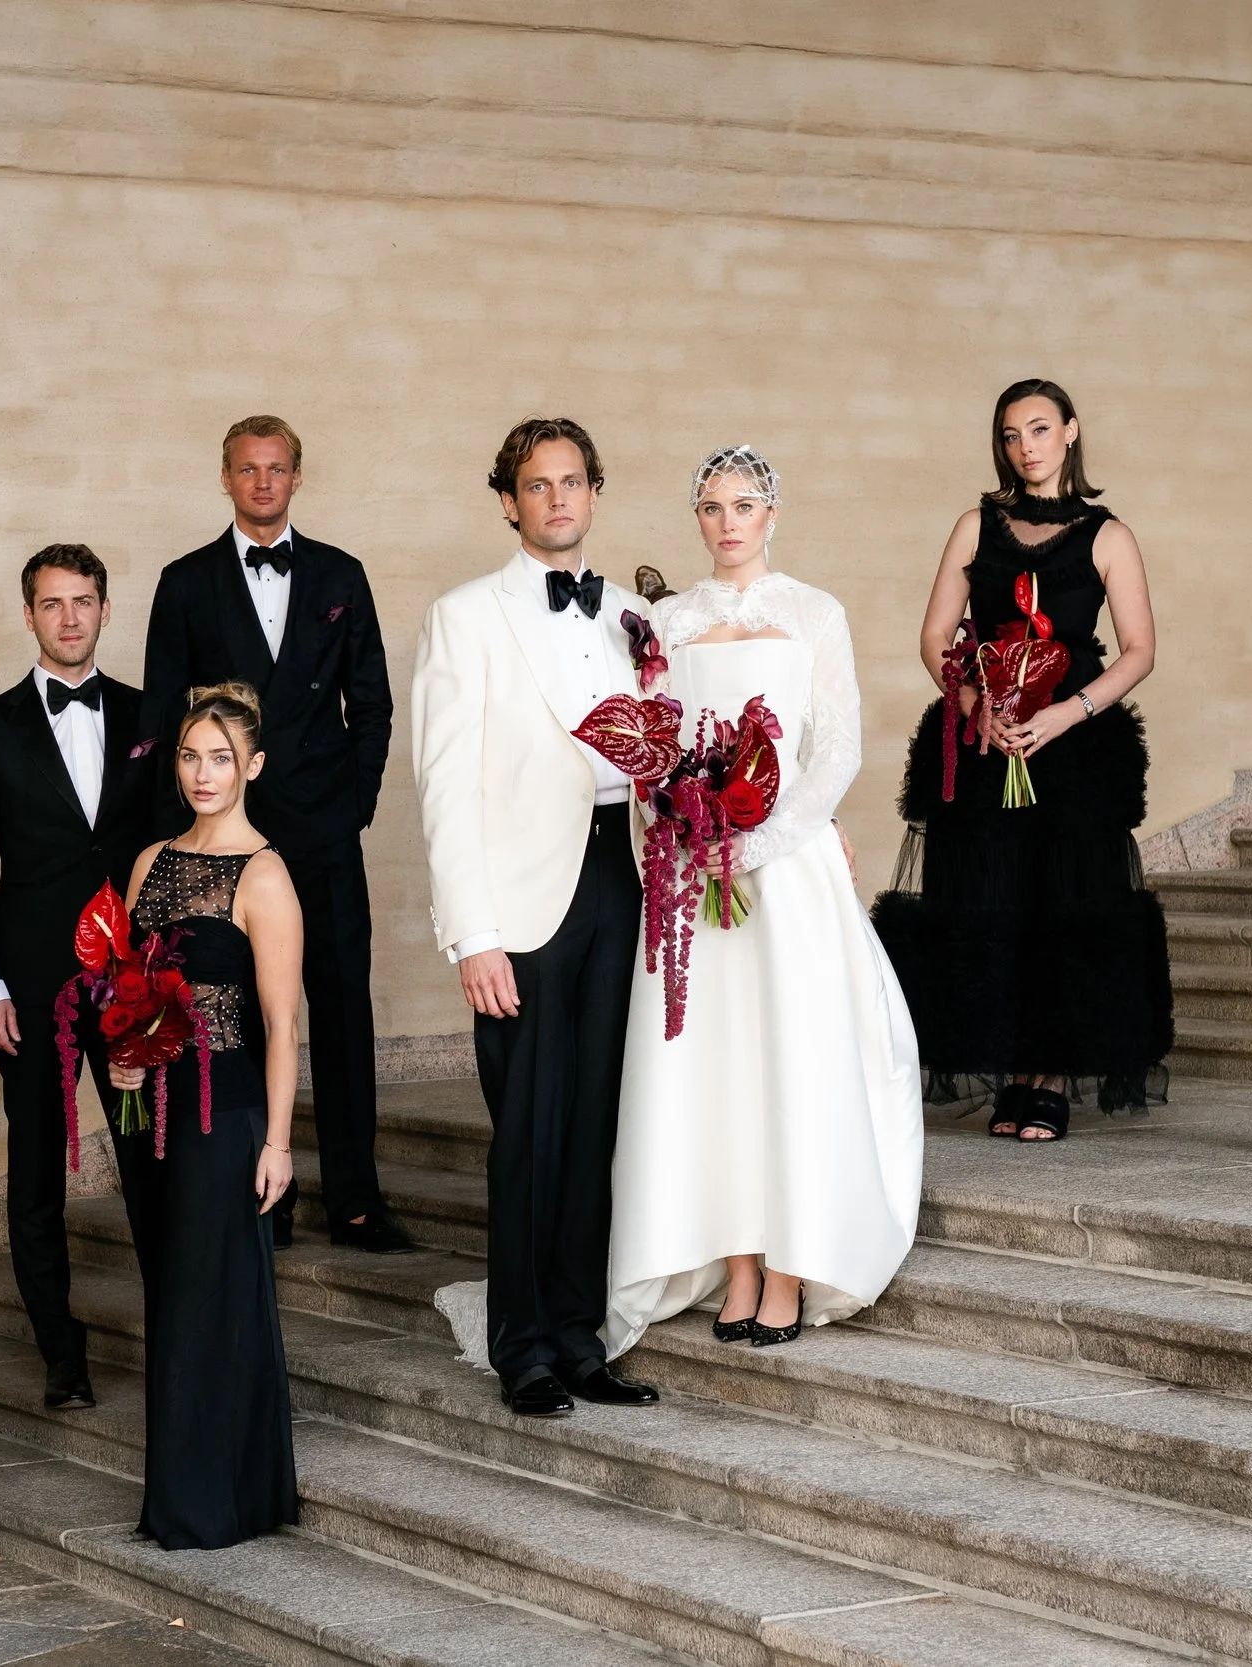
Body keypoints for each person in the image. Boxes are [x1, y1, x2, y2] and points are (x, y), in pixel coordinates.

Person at [603, 447, 923, 1353]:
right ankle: (739, 1261)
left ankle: (790, 1262)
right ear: (696, 517)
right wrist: (685, 827)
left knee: (791, 1056)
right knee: (717, 1066)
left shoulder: (816, 611)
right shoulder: (666, 618)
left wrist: (758, 842)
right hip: (694, 871)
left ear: (774, 513)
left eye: (745, 503)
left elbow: (841, 748)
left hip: (784, 868)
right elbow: (653, 748)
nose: (728, 521)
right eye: (711, 506)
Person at [411, 417, 659, 1418]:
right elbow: (442, 783)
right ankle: (521, 1346)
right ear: (509, 500)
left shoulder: (637, 614)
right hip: (517, 904)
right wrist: (471, 932)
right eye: (536, 484)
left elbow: (666, 746)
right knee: (527, 1131)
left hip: (618, 879)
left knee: (597, 1122)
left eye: (571, 481)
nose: (557, 498)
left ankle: (581, 1339)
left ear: (592, 493)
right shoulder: (464, 616)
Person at [872, 383, 1172, 1142]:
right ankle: (1012, 1068)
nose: (1026, 446)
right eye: (1011, 434)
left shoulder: (1109, 536)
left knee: (1064, 907)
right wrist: (980, 706)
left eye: (1040, 429)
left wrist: (1066, 714)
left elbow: (1139, 651)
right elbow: (936, 633)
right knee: (990, 901)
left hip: (1074, 743)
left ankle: (1053, 1075)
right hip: (986, 739)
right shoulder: (976, 526)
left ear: (1070, 432)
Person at [143, 416, 407, 1254]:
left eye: (278, 469)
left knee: (339, 1007)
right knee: (251, 1015)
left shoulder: (340, 573)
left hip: (324, 836)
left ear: (298, 476)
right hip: (225, 845)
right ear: (224, 476)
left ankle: (356, 1199)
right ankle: (270, 1191)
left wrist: (353, 807)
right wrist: (186, 837)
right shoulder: (185, 582)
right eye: (248, 469)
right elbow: (158, 719)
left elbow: (372, 705)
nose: (264, 483)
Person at [0, 544, 165, 1411]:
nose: (69, 617)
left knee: (148, 1159)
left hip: (133, 986)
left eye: (83, 601)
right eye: (52, 603)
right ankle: (60, 1354)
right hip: (31, 985)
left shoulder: (152, 716)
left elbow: (167, 847)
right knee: (35, 1167)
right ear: (29, 614)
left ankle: (175, 1332)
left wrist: (166, 976)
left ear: (106, 610)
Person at [107, 683, 303, 1547]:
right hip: (147, 1107)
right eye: (190, 755)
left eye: (220, 757)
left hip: (225, 1110)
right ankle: (182, 1490)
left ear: (253, 765)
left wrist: (279, 1142)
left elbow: (282, 1023)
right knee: (169, 1291)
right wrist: (121, 1047)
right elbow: (128, 981)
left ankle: (213, 1500)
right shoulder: (150, 860)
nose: (202, 772)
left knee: (208, 1296)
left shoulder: (265, 874)